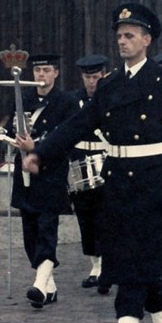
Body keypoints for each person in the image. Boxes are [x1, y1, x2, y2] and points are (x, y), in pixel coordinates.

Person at [22, 2, 162, 323]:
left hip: (153, 182)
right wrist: (41, 152)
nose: (123, 42)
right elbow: (79, 124)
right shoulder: (110, 85)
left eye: (130, 35)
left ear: (147, 40)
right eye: (119, 36)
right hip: (116, 182)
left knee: (134, 265)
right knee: (138, 261)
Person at [10, 53, 79, 309]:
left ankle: (39, 284)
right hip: (25, 172)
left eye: (47, 71)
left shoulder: (66, 102)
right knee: (30, 231)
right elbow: (11, 129)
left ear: (56, 73)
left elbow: (65, 137)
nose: (41, 75)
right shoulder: (23, 99)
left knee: (47, 228)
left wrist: (37, 145)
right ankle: (48, 287)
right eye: (38, 71)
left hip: (50, 173)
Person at [69, 54, 111, 295]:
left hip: (105, 161)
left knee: (107, 217)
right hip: (80, 162)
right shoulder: (74, 100)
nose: (92, 82)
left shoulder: (111, 98)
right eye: (88, 77)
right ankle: (95, 266)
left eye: (96, 76)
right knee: (86, 217)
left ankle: (106, 268)